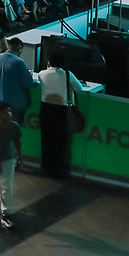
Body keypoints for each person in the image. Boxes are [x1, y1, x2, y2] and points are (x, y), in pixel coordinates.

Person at [34, 50, 80, 179]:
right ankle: (57, 167)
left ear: (48, 62)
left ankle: (46, 166)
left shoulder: (42, 74)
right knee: (60, 141)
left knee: (46, 138)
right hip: (61, 110)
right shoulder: (67, 75)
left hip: (45, 109)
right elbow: (79, 88)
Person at [0, 37, 35, 124]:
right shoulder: (19, 62)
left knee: (0, 126)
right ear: (19, 48)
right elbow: (28, 83)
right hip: (14, 103)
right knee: (12, 129)